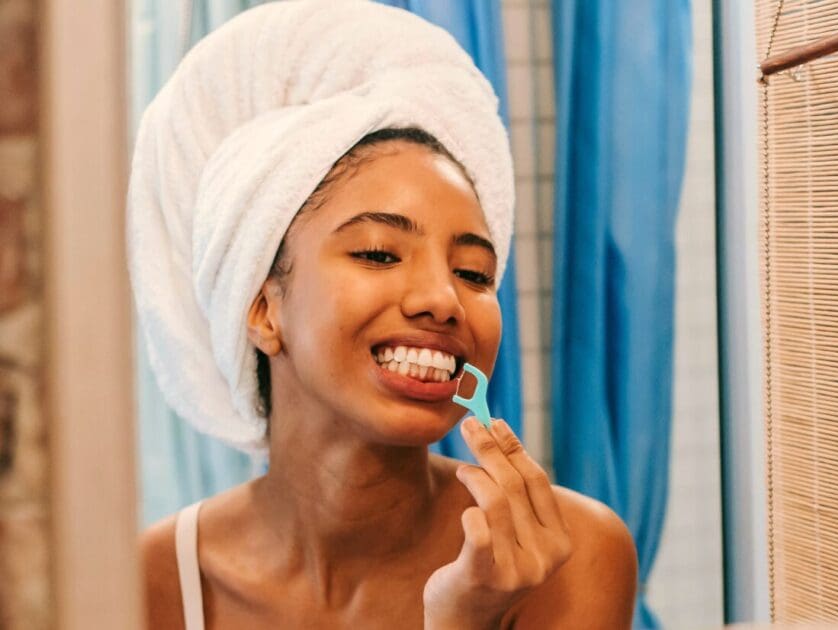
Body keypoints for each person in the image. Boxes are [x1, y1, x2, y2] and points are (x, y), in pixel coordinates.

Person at [128, 3, 637, 628]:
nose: (444, 300)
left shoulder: (571, 558)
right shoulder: (151, 583)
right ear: (261, 309)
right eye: (377, 253)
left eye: (474, 273)